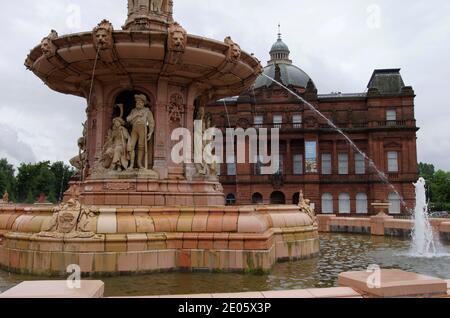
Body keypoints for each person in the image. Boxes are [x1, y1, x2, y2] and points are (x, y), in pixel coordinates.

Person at [127, 94, 155, 170]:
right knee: (131, 146)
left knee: (141, 146)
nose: (138, 103)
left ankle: (139, 163)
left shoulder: (147, 111)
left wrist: (150, 132)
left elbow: (151, 122)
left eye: (140, 102)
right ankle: (131, 165)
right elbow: (128, 119)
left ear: (143, 103)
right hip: (134, 128)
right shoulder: (133, 111)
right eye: (137, 102)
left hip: (143, 128)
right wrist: (136, 115)